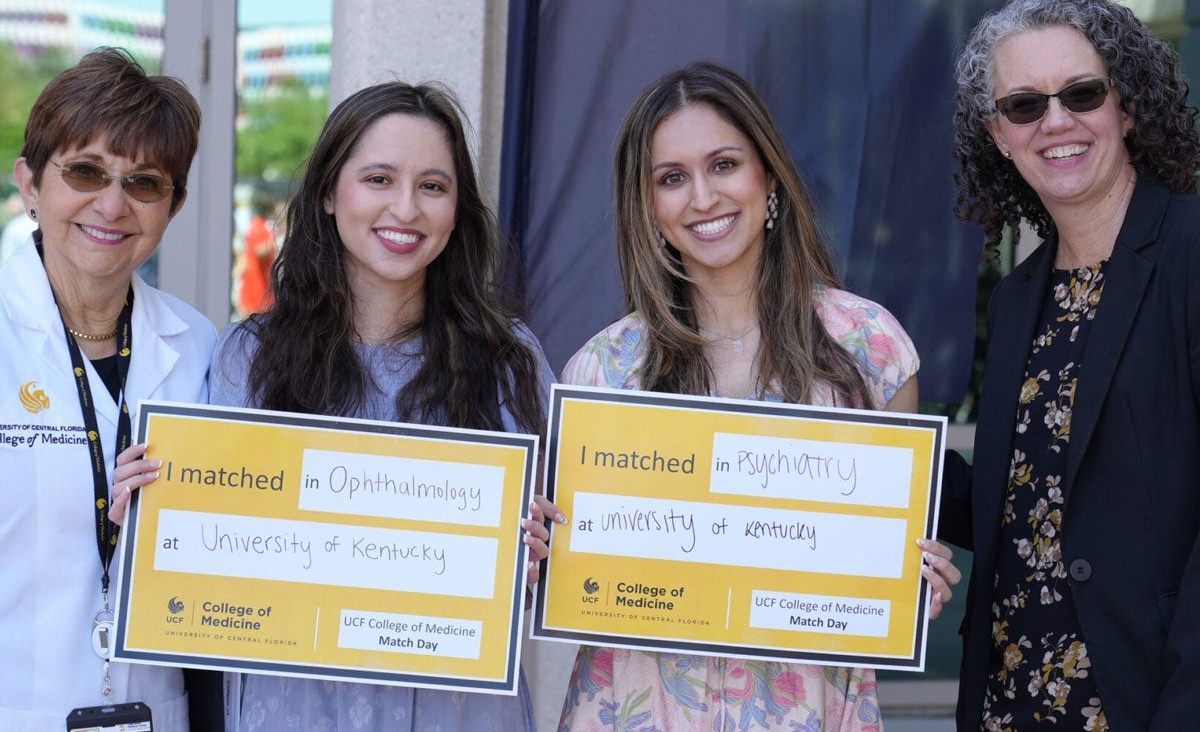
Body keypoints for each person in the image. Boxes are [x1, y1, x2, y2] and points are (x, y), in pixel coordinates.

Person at [556, 61, 961, 732]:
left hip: (808, 708)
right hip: (638, 709)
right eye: (672, 178)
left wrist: (911, 584)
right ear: (649, 209)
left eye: (724, 164)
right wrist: (545, 553)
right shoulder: (602, 371)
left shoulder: (871, 347)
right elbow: (578, 565)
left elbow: (885, 566)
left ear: (767, 178)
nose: (703, 197)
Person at [202, 80, 557, 732]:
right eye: (378, 178)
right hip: (297, 711)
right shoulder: (247, 358)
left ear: (457, 211)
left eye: (432, 186)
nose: (406, 208)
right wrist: (162, 512)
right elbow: (218, 552)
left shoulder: (510, 361)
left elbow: (550, 561)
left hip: (460, 712)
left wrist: (542, 551)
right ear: (330, 195)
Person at [941, 0, 1200, 732]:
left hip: (1144, 704)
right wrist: (840, 453)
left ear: (1126, 104)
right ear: (998, 133)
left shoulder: (1189, 251)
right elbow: (1022, 501)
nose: (1056, 121)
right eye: (1024, 104)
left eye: (1081, 93)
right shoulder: (1019, 297)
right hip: (1010, 707)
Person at [0, 48, 217, 730]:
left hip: (155, 714)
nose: (113, 205)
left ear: (173, 206)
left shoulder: (204, 348)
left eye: (145, 183)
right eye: (85, 171)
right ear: (30, 184)